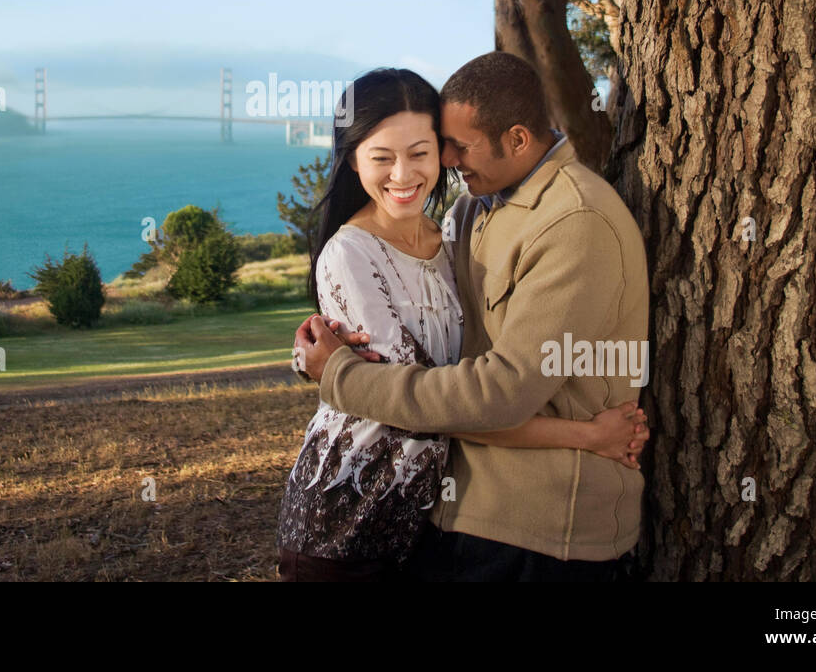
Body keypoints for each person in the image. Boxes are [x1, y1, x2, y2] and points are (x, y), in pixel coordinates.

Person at [277, 67, 648, 582]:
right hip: (359, 518)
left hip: (536, 531)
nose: (444, 163)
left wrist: (335, 373)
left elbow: (488, 393)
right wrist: (585, 435)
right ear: (354, 160)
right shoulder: (475, 208)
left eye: (443, 148)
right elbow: (425, 400)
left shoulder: (566, 221)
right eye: (382, 157)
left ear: (517, 140)